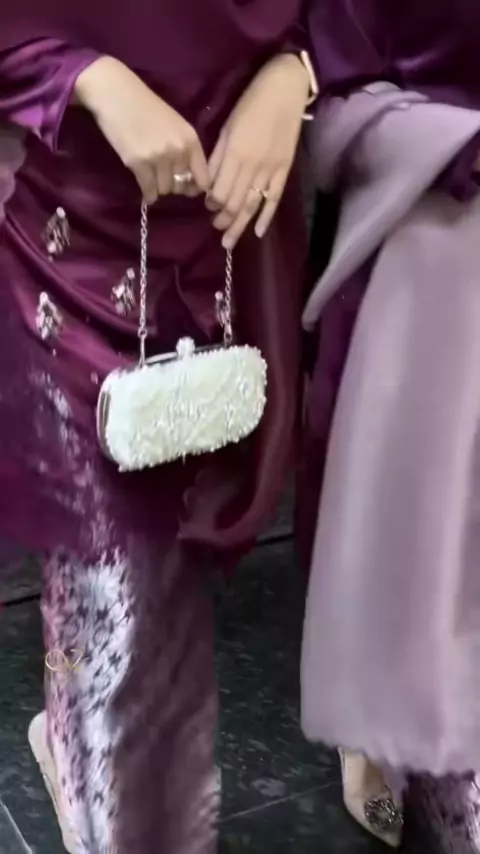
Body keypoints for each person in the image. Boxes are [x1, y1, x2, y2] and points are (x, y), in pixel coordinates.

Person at [0, 3, 315, 851]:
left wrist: (297, 70)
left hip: (238, 224)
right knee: (116, 581)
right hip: (77, 235)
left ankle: (80, 736)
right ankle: (90, 754)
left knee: (160, 556)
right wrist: (84, 77)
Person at [299, 1, 480, 849]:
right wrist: (458, 145)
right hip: (430, 236)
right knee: (416, 531)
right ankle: (390, 729)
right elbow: (328, 99)